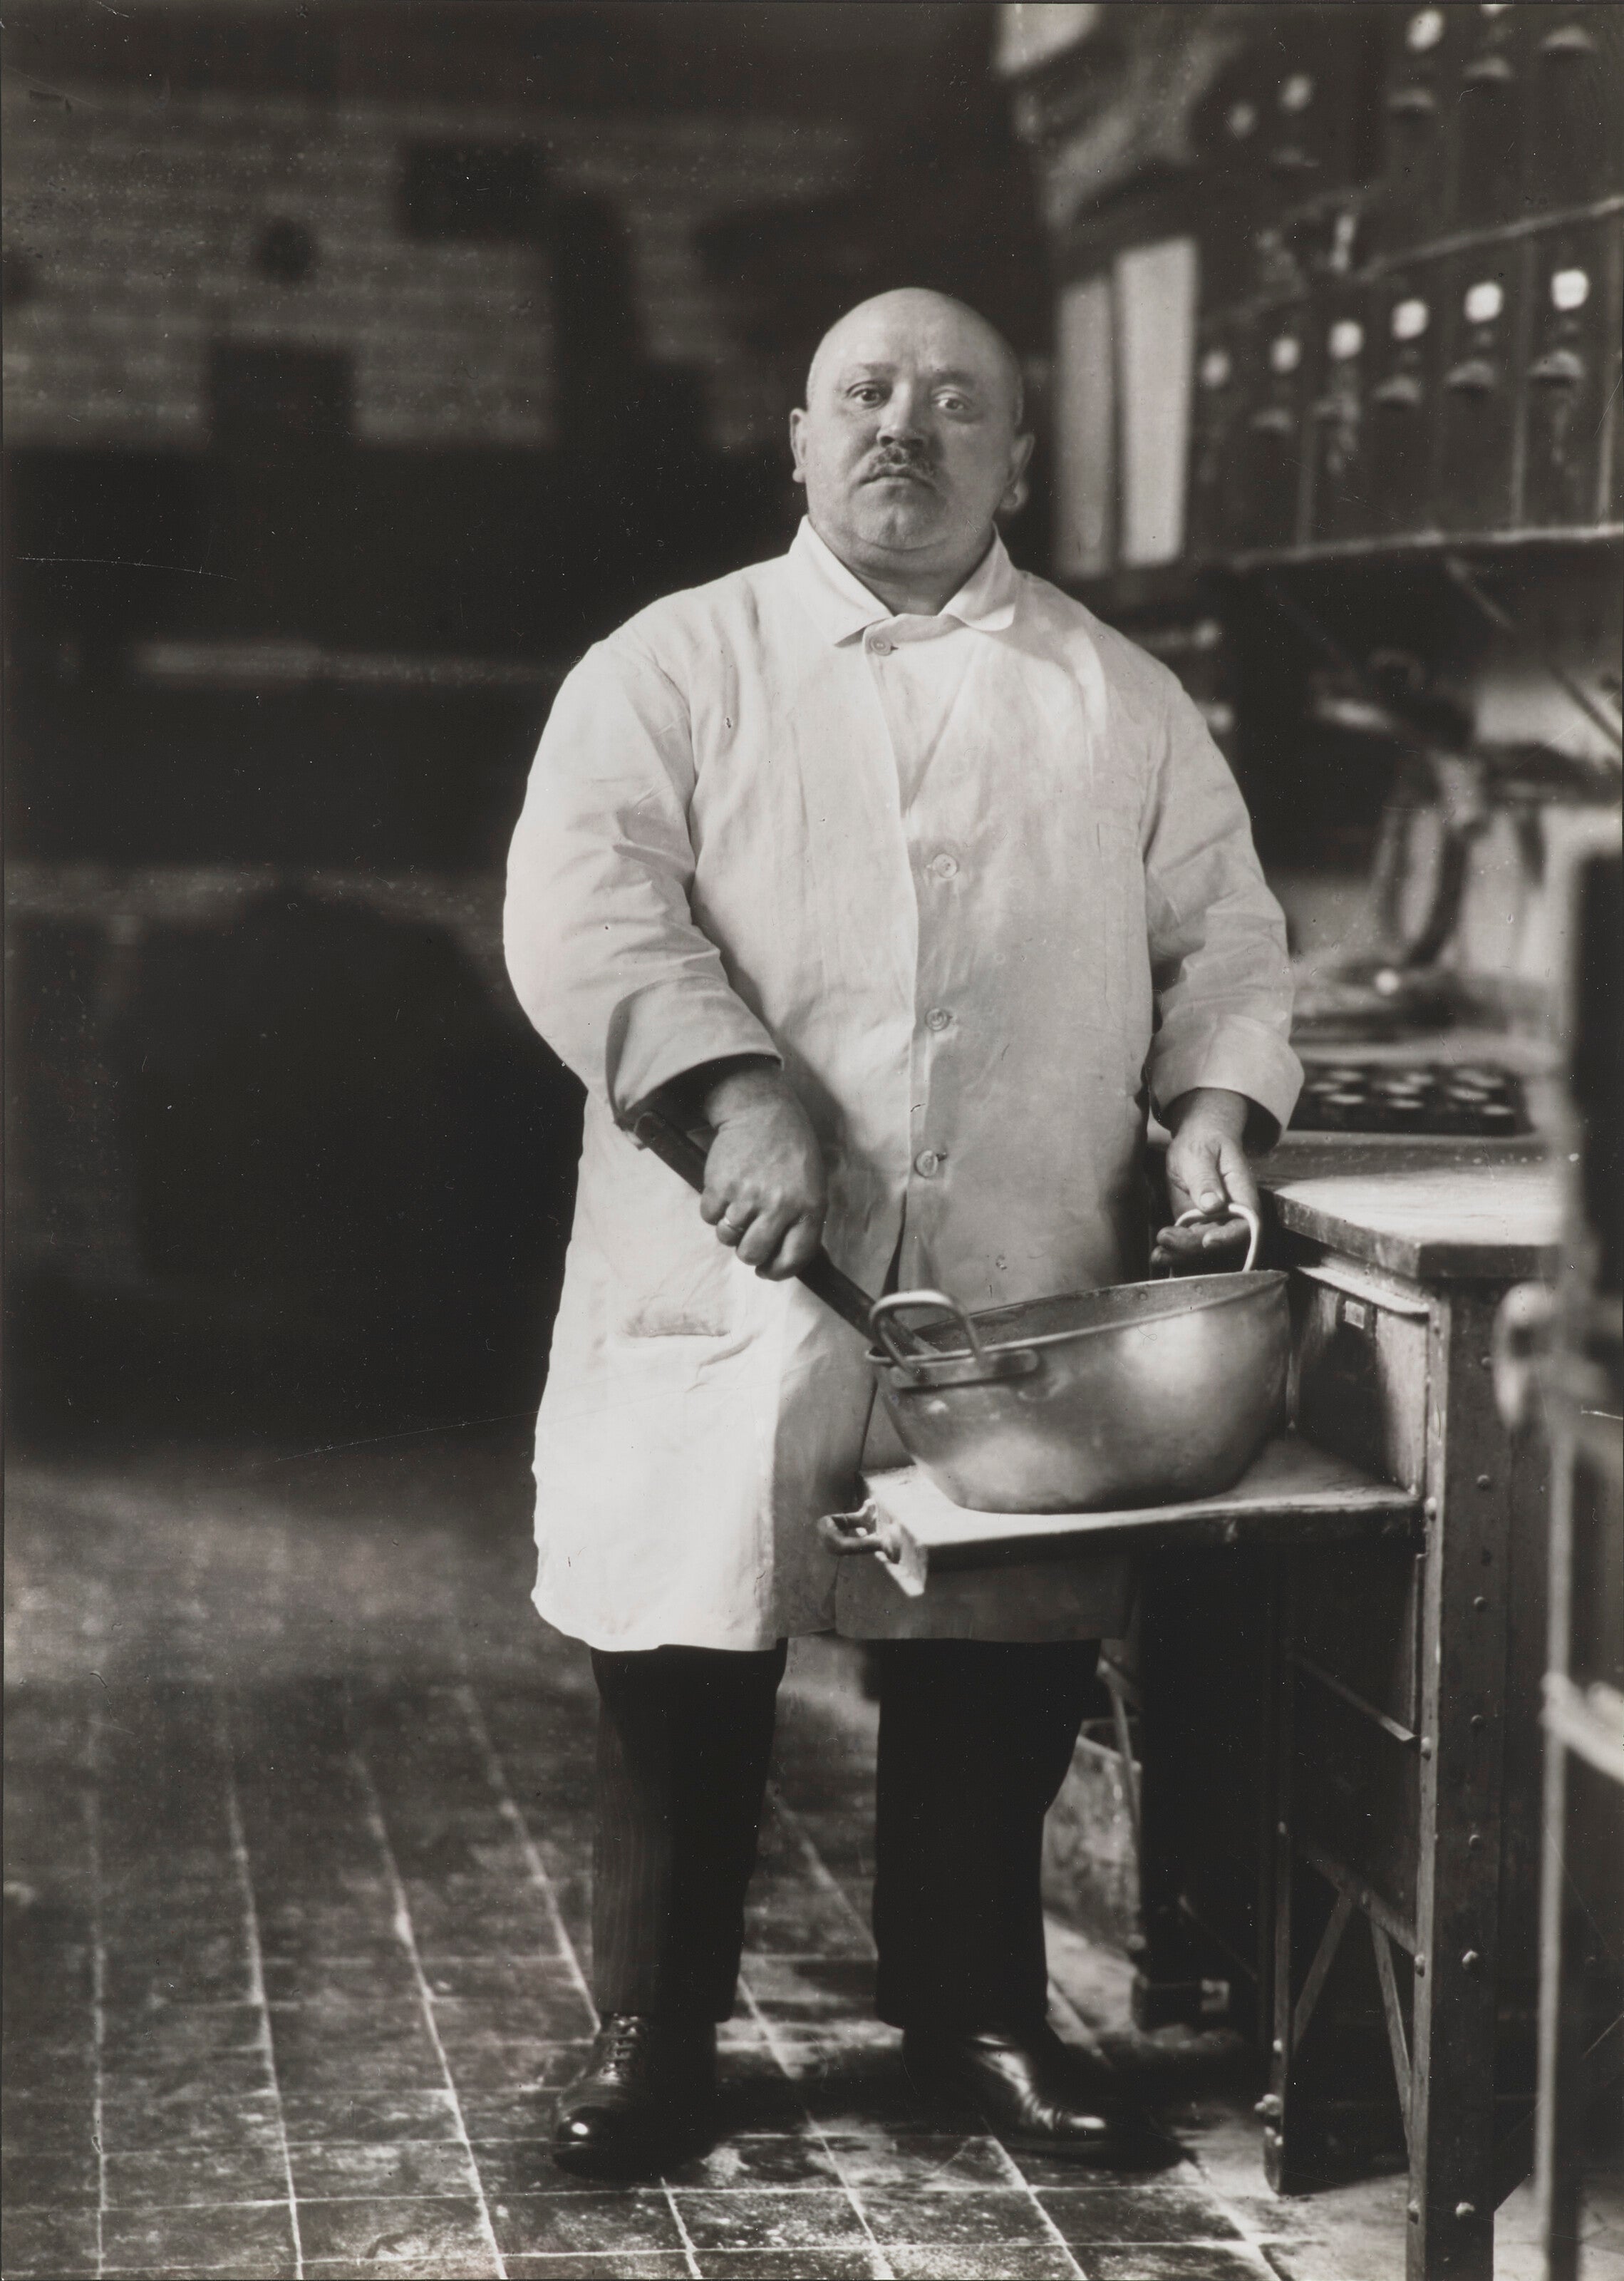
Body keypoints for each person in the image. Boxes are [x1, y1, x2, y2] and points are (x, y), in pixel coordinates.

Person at [504, 287, 1300, 2176]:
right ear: (795, 436)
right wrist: (730, 1088)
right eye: (864, 392)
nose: (906, 431)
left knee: (997, 1661)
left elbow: (1232, 944)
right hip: (735, 1263)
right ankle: (656, 2029)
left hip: (1014, 1260)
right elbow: (586, 912)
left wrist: (1209, 1111)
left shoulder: (1117, 694)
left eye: (957, 404)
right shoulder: (675, 665)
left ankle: (975, 2014)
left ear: (1019, 458)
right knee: (687, 1650)